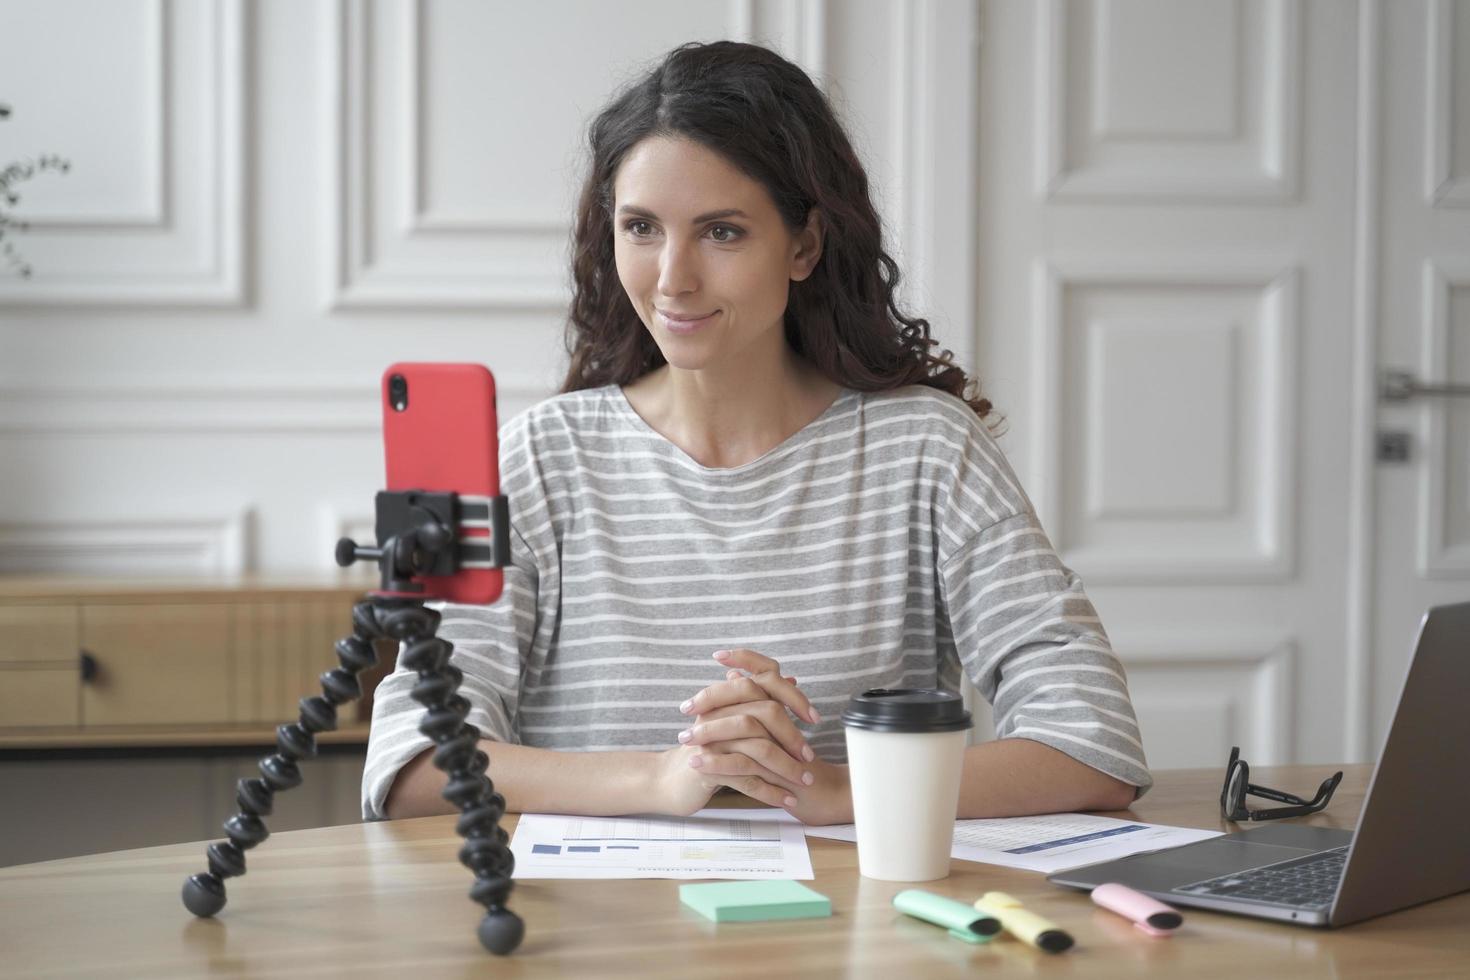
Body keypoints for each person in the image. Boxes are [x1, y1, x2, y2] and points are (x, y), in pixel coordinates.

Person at [362, 40, 1150, 826]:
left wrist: (835, 793)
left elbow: (1095, 744)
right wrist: (666, 779)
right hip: (599, 940)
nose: (673, 277)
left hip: (860, 934)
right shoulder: (541, 458)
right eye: (641, 227)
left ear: (804, 244)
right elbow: (410, 768)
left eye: (723, 232)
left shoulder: (927, 451)